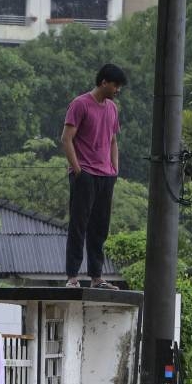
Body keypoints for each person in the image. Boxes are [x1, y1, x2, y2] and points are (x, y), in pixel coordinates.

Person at [61, 63, 127, 290]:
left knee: (100, 227)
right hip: (85, 174)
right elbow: (66, 138)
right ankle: (72, 277)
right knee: (79, 225)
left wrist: (114, 169)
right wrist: (78, 170)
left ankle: (97, 278)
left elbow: (113, 140)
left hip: (106, 176)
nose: (118, 89)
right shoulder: (80, 104)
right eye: (115, 85)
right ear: (104, 82)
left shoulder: (112, 108)